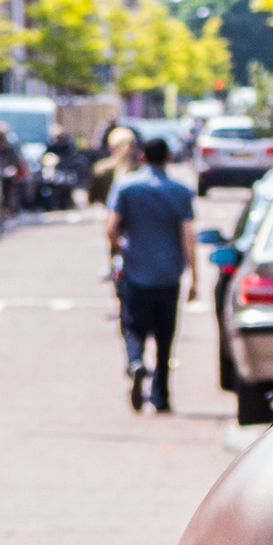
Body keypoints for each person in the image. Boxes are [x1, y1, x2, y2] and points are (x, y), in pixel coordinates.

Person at [107, 133, 198, 414]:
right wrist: (195, 276)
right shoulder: (180, 191)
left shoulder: (126, 187)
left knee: (133, 326)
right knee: (165, 335)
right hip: (169, 275)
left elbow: (111, 228)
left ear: (142, 157)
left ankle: (135, 363)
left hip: (135, 271)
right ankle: (161, 395)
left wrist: (121, 249)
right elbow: (187, 237)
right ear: (168, 158)